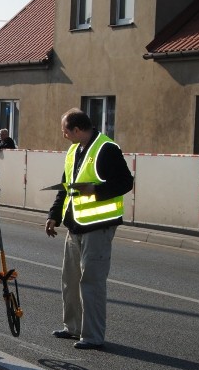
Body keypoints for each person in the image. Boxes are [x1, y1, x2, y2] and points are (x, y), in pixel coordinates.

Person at [45, 108, 134, 350]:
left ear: (77, 129)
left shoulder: (107, 149)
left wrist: (94, 190)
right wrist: (54, 216)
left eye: (65, 131)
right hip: (75, 226)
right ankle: (72, 327)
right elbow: (65, 187)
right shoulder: (74, 150)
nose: (63, 135)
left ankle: (93, 336)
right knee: (70, 279)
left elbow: (126, 182)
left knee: (92, 281)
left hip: (99, 227)